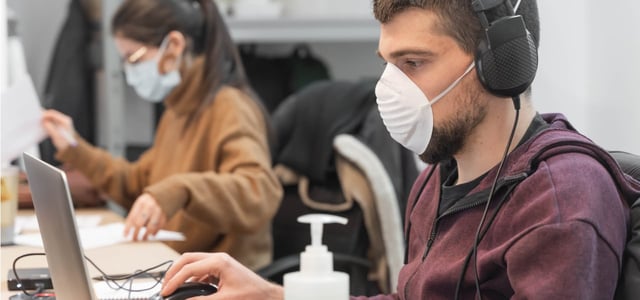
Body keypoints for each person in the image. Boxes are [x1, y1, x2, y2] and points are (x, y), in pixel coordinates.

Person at [157, 0, 640, 299]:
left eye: (414, 62)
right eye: (389, 63)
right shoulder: (438, 178)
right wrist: (273, 297)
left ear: (502, 63)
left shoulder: (560, 197)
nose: (391, 87)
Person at [40, 0, 282, 271]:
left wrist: (181, 190)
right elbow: (137, 183)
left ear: (174, 46)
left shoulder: (231, 107)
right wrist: (73, 146)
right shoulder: (178, 110)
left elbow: (258, 192)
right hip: (174, 267)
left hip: (219, 281)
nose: (130, 72)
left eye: (134, 58)